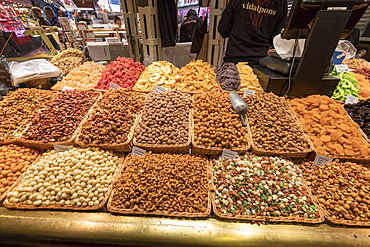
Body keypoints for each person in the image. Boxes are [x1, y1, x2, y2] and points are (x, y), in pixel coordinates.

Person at [218, 0, 288, 64]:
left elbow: (223, 29)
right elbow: (277, 36)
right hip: (261, 59)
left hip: (235, 56)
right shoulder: (281, 2)